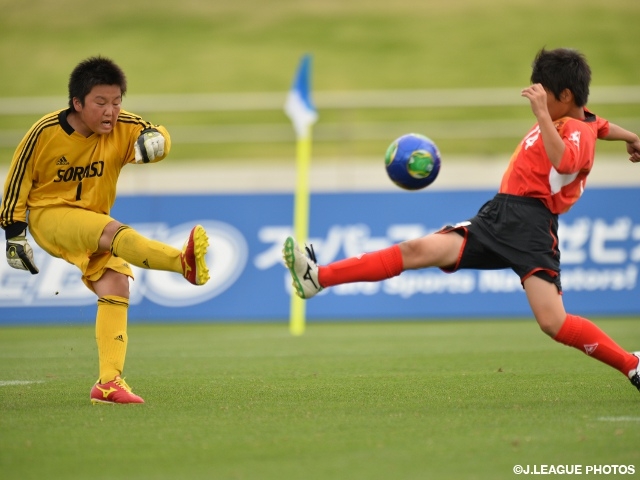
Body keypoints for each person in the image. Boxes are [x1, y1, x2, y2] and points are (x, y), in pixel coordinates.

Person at [283, 48, 640, 395]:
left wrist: (543, 117)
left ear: (565, 94)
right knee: (417, 249)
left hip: (531, 225)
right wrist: (631, 137)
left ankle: (631, 364)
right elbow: (600, 124)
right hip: (499, 215)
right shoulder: (581, 120)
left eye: (543, 94)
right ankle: (318, 278)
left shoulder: (574, 130)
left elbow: (565, 162)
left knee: (553, 323)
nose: (537, 102)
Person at [0, 56, 211, 405]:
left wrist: (158, 144)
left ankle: (108, 383)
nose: (110, 111)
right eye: (100, 103)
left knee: (116, 283)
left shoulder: (123, 126)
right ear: (77, 103)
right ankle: (181, 264)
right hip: (49, 216)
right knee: (114, 232)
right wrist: (14, 233)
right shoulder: (44, 133)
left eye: (116, 102)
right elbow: (17, 180)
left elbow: (153, 135)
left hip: (92, 220)